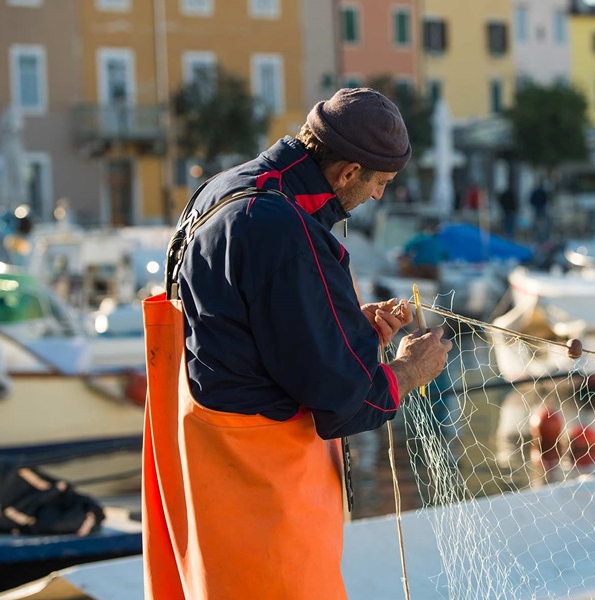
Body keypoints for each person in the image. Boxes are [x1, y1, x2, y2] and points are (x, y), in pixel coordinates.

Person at [142, 88, 453, 599]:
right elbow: (344, 400)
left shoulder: (224, 188)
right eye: (379, 183)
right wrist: (408, 371)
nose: (378, 197)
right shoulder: (282, 227)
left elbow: (246, 323)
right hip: (258, 494)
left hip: (197, 471)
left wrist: (343, 325)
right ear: (348, 172)